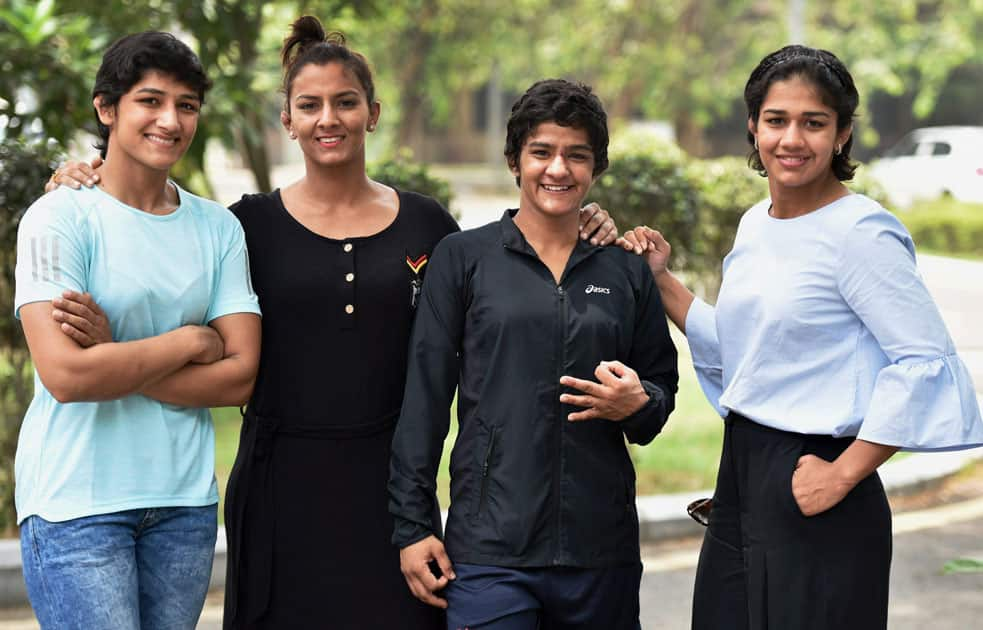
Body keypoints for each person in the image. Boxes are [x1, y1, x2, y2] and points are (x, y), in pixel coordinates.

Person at [46, 16, 620, 629]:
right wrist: (82, 176)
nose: (329, 119)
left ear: (372, 113)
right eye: (310, 105)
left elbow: (510, 271)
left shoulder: (429, 227)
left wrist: (584, 221)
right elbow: (159, 238)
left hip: (392, 492)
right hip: (277, 490)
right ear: (287, 119)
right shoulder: (242, 226)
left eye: (346, 102)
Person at [620, 45, 983, 630]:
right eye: (776, 120)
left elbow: (926, 363)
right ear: (752, 127)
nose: (792, 138)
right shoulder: (757, 223)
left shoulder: (860, 232)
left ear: (842, 135)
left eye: (813, 123)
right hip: (742, 479)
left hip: (820, 485)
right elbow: (746, 349)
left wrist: (843, 474)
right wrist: (661, 280)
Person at [388, 78, 679, 630]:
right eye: (541, 152)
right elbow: (423, 400)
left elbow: (659, 396)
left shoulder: (624, 271)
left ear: (596, 168)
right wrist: (413, 527)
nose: (558, 169)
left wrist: (638, 403)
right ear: (514, 160)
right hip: (490, 553)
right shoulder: (463, 259)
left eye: (576, 155)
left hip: (600, 552)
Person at [15, 31, 262, 629]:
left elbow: (239, 377)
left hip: (183, 504)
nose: (170, 121)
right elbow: (68, 375)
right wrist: (189, 342)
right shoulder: (60, 216)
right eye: (150, 101)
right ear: (107, 109)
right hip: (78, 503)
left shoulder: (216, 228)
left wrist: (115, 355)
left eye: (186, 105)